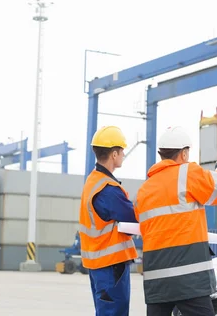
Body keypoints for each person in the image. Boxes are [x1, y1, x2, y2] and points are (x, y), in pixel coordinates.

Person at [133, 126, 217, 316]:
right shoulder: (187, 173)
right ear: (184, 153)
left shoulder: (144, 190)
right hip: (190, 281)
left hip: (157, 283)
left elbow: (147, 224)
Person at [79, 125, 139, 316]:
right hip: (111, 266)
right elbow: (134, 219)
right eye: (122, 150)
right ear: (114, 154)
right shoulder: (108, 189)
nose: (123, 154)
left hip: (98, 265)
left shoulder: (93, 181)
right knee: (115, 312)